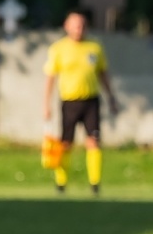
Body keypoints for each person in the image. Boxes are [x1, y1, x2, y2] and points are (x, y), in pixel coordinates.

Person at [43, 11, 119, 195]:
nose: (79, 29)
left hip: (91, 100)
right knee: (65, 143)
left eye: (82, 25)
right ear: (67, 27)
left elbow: (103, 74)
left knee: (93, 141)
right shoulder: (58, 49)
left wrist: (111, 97)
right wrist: (46, 104)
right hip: (69, 101)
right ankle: (61, 183)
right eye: (75, 25)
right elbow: (50, 78)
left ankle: (95, 184)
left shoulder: (94, 47)